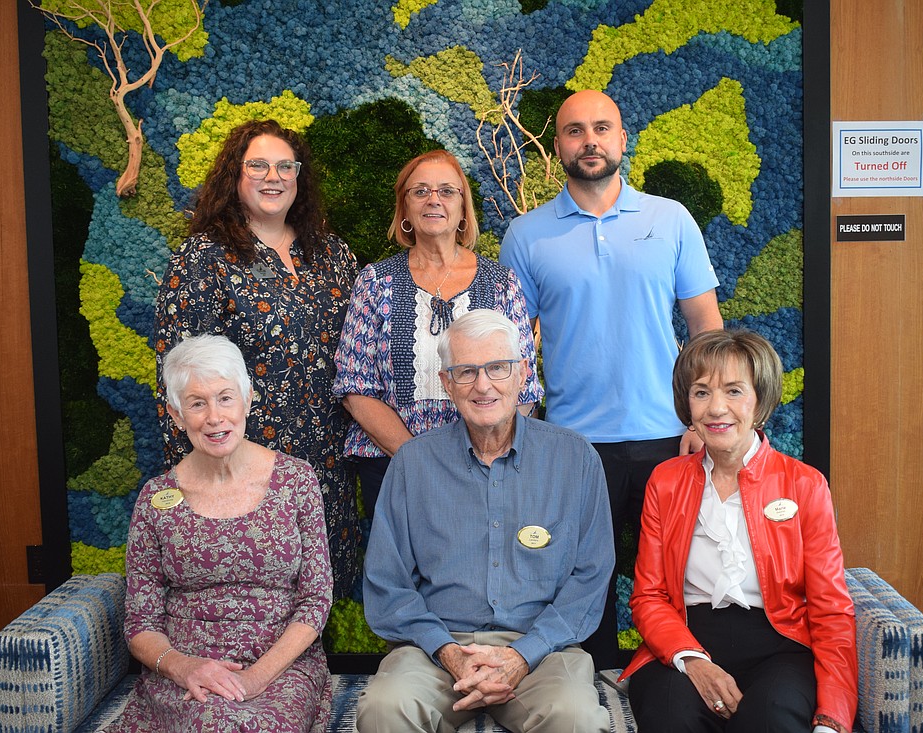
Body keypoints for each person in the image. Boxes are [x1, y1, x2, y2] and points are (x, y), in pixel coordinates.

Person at [499, 89, 725, 669]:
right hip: (573, 444)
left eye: (602, 128)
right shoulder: (527, 235)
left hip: (666, 437)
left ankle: (681, 677)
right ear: (559, 148)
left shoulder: (670, 220)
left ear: (623, 140)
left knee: (678, 573)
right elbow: (513, 349)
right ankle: (589, 688)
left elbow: (705, 329)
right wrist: (518, 433)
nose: (590, 140)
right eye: (575, 131)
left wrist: (701, 420)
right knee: (581, 582)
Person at [357, 309, 614, 733]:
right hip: (433, 648)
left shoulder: (576, 459)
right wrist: (450, 653)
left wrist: (522, 655)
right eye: (465, 372)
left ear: (522, 373)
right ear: (446, 383)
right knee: (385, 708)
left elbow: (590, 577)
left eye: (497, 368)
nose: (483, 385)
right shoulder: (412, 464)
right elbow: (387, 583)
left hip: (543, 652)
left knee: (577, 719)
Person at [153, 119, 359, 599]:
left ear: (299, 176)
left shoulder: (332, 254)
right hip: (243, 468)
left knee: (318, 598)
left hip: (328, 463)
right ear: (234, 176)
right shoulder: (203, 260)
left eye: (285, 165)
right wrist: (197, 483)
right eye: (259, 165)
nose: (274, 176)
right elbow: (179, 379)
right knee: (252, 598)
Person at [619, 328, 857, 733]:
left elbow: (831, 608)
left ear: (759, 399)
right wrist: (690, 659)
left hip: (781, 644)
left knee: (772, 718)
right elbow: (649, 596)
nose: (715, 408)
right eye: (701, 392)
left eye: (733, 391)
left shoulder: (805, 484)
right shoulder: (665, 481)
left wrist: (832, 717)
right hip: (686, 637)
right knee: (669, 717)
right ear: (686, 404)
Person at [105, 334, 333, 733]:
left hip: (279, 670)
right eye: (197, 403)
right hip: (187, 674)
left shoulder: (297, 479)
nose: (214, 417)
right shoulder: (156, 498)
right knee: (207, 720)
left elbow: (315, 600)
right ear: (177, 415)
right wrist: (185, 668)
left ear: (247, 398)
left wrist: (254, 679)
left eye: (225, 398)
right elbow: (140, 624)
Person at [333, 149, 542, 516]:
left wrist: (483, 455)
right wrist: (420, 459)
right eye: (420, 191)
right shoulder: (374, 282)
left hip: (486, 467)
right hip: (393, 465)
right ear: (405, 210)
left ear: (463, 209)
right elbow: (355, 387)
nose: (434, 200)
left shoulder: (500, 283)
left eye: (447, 191)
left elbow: (522, 386)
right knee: (401, 571)